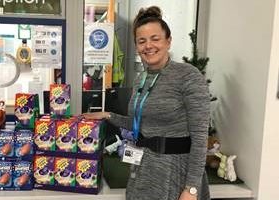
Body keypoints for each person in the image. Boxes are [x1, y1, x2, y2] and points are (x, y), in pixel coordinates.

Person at [83, 6, 210, 200]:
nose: (148, 46)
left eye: (155, 39)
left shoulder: (188, 76)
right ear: (136, 46)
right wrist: (108, 115)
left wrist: (191, 188)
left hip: (175, 172)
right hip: (144, 169)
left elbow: (200, 138)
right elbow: (140, 124)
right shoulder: (141, 79)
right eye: (141, 41)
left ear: (168, 41)